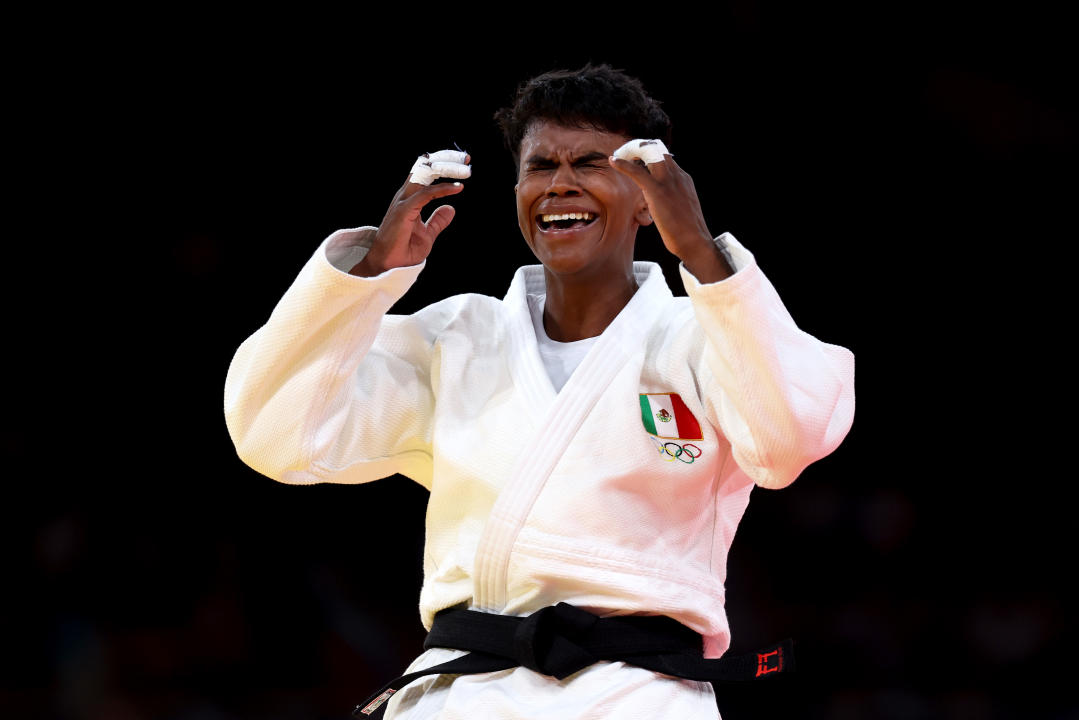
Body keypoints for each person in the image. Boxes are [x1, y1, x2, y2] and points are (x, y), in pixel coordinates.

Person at [224, 64, 855, 719]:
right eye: (539, 166)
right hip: (462, 694)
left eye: (589, 162)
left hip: (638, 696)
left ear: (646, 197)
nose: (559, 183)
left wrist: (701, 255)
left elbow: (791, 437)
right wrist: (368, 274)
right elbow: (275, 433)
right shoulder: (459, 335)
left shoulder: (704, 338)